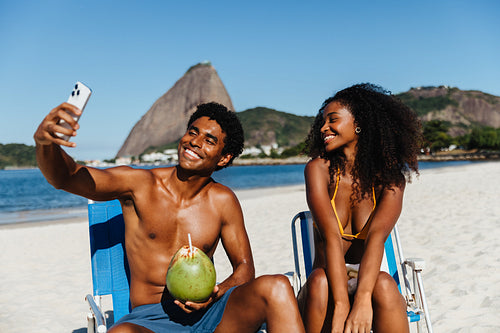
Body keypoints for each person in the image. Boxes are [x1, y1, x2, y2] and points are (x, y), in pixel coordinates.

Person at [34, 101, 305, 333]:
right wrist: (45, 144)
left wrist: (216, 293)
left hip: (211, 315)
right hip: (151, 320)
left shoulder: (223, 201)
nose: (195, 143)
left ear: (224, 158)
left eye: (209, 141)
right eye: (192, 132)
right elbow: (66, 177)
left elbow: (245, 269)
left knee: (278, 286)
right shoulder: (139, 184)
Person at [297, 83, 422, 333]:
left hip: (368, 278)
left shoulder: (390, 179)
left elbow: (376, 238)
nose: (324, 128)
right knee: (321, 282)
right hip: (327, 282)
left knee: (385, 284)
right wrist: (343, 304)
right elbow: (332, 237)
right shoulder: (317, 169)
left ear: (359, 124)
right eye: (322, 122)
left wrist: (362, 300)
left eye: (333, 120)